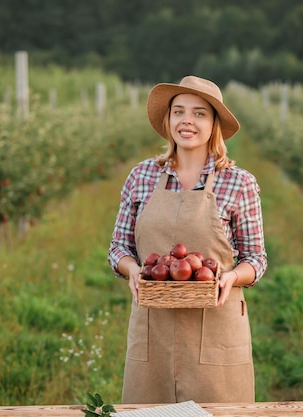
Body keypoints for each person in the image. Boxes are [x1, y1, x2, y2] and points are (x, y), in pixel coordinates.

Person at [108, 75, 268, 404]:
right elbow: (119, 248)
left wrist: (231, 277)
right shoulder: (142, 176)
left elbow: (256, 259)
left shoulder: (239, 183)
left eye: (199, 113)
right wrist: (133, 270)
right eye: (178, 111)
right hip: (154, 328)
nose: (187, 121)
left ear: (214, 124)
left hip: (216, 325)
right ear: (168, 121)